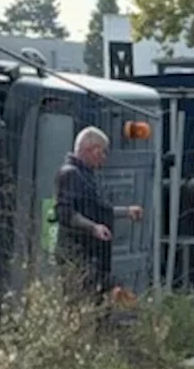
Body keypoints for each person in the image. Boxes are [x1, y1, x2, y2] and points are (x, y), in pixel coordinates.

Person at [53, 127, 143, 301]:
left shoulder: (86, 176)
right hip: (78, 255)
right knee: (83, 303)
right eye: (102, 153)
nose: (104, 159)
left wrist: (125, 212)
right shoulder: (70, 174)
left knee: (100, 303)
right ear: (90, 149)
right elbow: (64, 212)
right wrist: (93, 228)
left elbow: (97, 210)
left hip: (93, 254)